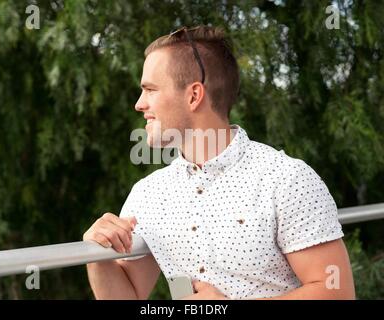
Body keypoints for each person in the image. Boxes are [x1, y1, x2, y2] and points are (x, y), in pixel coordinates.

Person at [83, 26, 355, 300]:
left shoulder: (286, 179)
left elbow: (337, 292)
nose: (139, 104)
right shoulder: (148, 194)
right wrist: (96, 253)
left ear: (194, 95)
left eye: (150, 89)